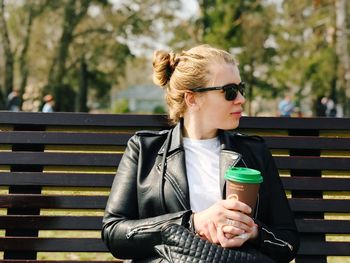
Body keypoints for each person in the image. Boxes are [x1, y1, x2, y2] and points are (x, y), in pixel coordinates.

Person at [102, 45, 299, 263]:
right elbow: (114, 233)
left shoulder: (253, 151)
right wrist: (193, 223)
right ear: (192, 98)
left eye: (241, 89)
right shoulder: (145, 149)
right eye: (230, 91)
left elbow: (287, 240)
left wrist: (252, 232)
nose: (241, 99)